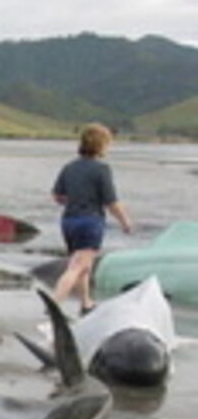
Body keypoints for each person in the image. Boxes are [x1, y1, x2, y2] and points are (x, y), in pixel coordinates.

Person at [52, 123, 132, 314]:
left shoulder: (69, 167)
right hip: (90, 222)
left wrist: (76, 199)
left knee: (84, 266)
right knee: (77, 267)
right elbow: (111, 202)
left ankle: (86, 303)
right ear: (102, 145)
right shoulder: (101, 169)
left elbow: (57, 196)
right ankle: (54, 305)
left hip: (68, 221)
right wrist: (125, 222)